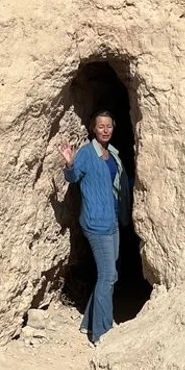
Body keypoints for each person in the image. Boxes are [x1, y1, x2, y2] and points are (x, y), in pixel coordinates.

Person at [57, 110, 132, 344]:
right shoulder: (88, 154)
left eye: (109, 125)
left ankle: (88, 322)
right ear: (93, 129)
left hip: (111, 222)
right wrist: (69, 163)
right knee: (109, 276)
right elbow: (73, 176)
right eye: (101, 126)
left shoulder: (112, 155)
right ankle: (102, 332)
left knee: (108, 275)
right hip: (95, 223)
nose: (105, 130)